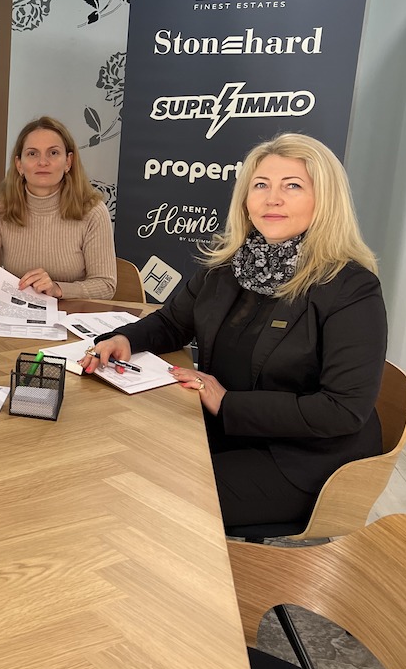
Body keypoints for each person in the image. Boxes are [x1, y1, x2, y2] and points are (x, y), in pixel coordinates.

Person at [81, 133, 387, 529]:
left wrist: (228, 403)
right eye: (260, 185)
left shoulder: (351, 288)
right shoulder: (228, 267)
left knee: (149, 502)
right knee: (118, 459)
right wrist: (124, 338)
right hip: (223, 431)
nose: (272, 199)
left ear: (325, 200)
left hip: (304, 461)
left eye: (292, 186)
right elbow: (173, 322)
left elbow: (343, 410)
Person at [0, 116, 116, 313]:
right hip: (15, 314)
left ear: (68, 162)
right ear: (19, 164)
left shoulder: (93, 210)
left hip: (71, 316)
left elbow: (105, 285)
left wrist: (58, 289)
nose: (43, 162)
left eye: (53, 153)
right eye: (32, 154)